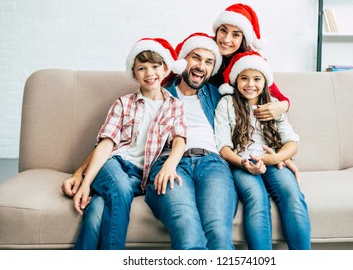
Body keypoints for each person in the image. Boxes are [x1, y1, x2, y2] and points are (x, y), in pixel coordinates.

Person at [68, 37, 187, 249]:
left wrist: (170, 165)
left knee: (96, 210)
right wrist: (85, 183)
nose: (149, 73)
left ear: (166, 68)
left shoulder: (174, 106)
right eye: (142, 68)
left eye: (155, 66)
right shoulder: (123, 103)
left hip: (140, 175)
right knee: (120, 189)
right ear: (134, 73)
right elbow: (106, 144)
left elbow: (179, 140)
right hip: (113, 164)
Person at [145, 32, 237, 250]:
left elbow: (250, 122)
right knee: (187, 229)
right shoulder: (158, 93)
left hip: (212, 163)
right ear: (182, 61)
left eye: (208, 62)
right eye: (195, 58)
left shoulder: (219, 96)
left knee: (217, 231)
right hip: (170, 164)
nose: (201, 66)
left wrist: (277, 154)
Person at [214, 50, 311, 250]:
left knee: (292, 195)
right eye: (244, 78)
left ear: (265, 82)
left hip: (274, 162)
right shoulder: (226, 103)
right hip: (242, 164)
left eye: (257, 79)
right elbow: (223, 147)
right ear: (235, 80)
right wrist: (243, 163)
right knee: (256, 199)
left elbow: (292, 143)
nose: (250, 84)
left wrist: (274, 158)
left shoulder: (273, 106)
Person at [211, 2, 300, 180]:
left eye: (236, 35)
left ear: (244, 39)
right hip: (221, 128)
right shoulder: (206, 53)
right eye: (223, 31)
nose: (227, 39)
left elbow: (280, 99)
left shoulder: (250, 63)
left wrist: (281, 155)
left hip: (248, 137)